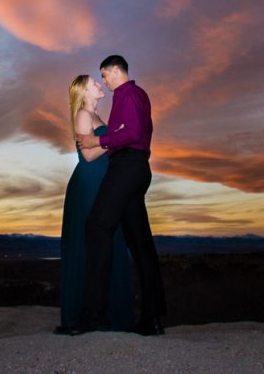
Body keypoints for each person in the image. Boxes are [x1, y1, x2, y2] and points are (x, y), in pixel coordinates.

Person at [70, 55, 166, 336]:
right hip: (137, 169)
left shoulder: (128, 94)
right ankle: (153, 319)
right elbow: (136, 132)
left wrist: (99, 140)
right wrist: (110, 139)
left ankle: (93, 315)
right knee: (141, 245)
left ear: (115, 70)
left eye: (104, 74)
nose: (104, 80)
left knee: (97, 227)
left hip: (126, 168)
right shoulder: (137, 96)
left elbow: (133, 133)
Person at [55, 74, 134, 334]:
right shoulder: (83, 115)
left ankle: (110, 314)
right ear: (84, 92)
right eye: (94, 83)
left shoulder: (99, 117)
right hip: (89, 185)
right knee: (89, 245)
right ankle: (84, 314)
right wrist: (117, 137)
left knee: (111, 242)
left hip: (104, 183)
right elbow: (87, 155)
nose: (100, 85)